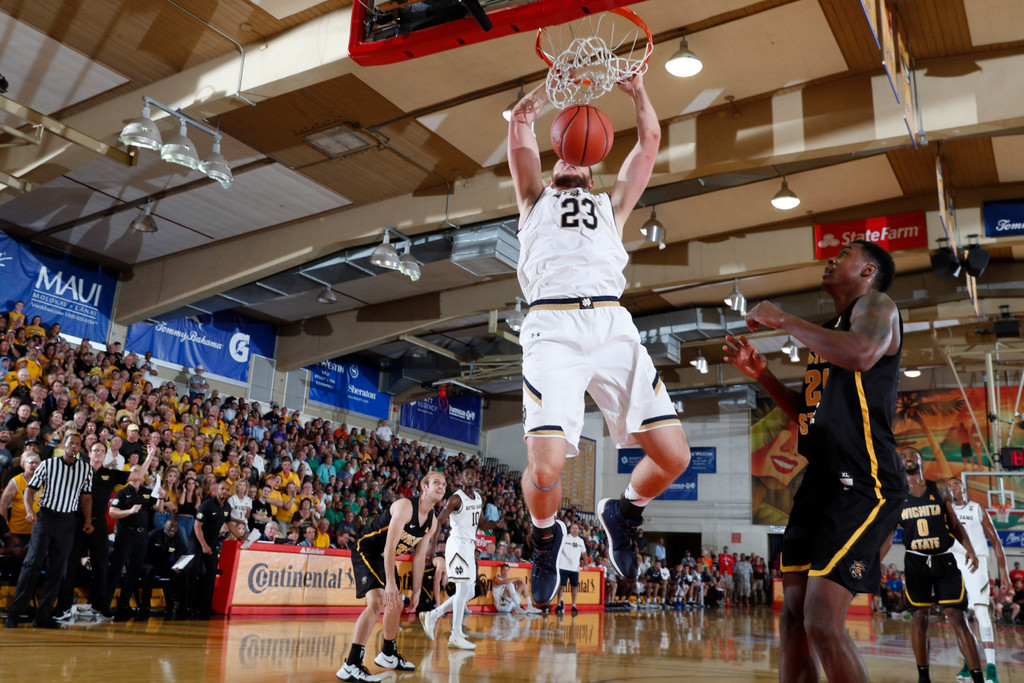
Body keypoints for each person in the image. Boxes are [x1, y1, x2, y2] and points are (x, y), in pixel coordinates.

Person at [507, 72, 691, 606]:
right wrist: (551, 90)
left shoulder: (613, 207)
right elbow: (520, 120)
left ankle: (625, 510)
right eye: (564, 153)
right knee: (545, 466)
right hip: (552, 329)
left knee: (674, 458)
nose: (572, 159)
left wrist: (638, 93)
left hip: (612, 325)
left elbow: (651, 142)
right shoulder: (532, 198)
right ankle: (545, 540)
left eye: (582, 157)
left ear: (593, 164)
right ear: (557, 153)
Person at [724, 239, 905, 683]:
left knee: (823, 622)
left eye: (844, 254)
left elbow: (863, 353)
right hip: (820, 483)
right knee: (793, 620)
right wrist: (763, 375)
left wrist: (783, 320)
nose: (831, 259)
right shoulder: (829, 333)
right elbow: (805, 413)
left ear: (867, 271)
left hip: (866, 483)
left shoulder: (878, 305)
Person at [883, 448, 984, 683]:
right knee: (920, 618)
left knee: (957, 618)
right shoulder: (895, 496)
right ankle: (923, 678)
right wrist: (875, 561)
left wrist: (969, 548)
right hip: (915, 560)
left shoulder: (939, 489)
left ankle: (977, 677)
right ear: (899, 464)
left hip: (943, 559)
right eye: (903, 456)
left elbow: (954, 522)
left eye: (912, 454)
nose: (907, 457)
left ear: (921, 461)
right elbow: (888, 535)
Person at [336, 471, 446, 683]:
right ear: (424, 487)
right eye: (436, 482)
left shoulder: (432, 522)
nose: (441, 486)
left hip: (385, 556)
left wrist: (415, 591)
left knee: (395, 604)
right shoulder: (405, 506)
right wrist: (391, 584)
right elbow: (390, 546)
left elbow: (419, 557)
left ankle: (388, 654)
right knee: (377, 602)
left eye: (443, 484)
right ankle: (351, 664)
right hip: (367, 550)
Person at [4, 431, 93, 629]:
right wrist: (29, 510)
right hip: (45, 518)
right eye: (70, 443)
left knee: (57, 569)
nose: (73, 446)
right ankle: (16, 613)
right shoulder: (48, 464)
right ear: (64, 445)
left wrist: (87, 519)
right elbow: (30, 490)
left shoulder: (86, 470)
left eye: (77, 444)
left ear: (80, 448)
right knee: (32, 564)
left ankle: (43, 615)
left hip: (68, 522)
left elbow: (86, 497)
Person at [419, 464, 500, 650]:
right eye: (467, 475)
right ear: (461, 479)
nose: (470, 477)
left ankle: (432, 615)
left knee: (469, 592)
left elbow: (481, 523)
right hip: (456, 544)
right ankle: (455, 635)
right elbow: (439, 521)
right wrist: (432, 549)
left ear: (477, 478)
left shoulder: (478, 498)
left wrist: (497, 523)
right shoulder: (456, 498)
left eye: (473, 474)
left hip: (470, 546)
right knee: (462, 589)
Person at [949, 476, 1009, 683]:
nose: (951, 488)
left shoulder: (976, 508)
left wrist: (1004, 573)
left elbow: (996, 541)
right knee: (959, 616)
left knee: (982, 612)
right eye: (948, 486)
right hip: (953, 565)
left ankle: (991, 668)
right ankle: (970, 662)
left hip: (976, 565)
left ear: (963, 489)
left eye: (955, 485)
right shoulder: (945, 512)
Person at [106, 447, 166, 620]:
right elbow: (112, 512)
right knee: (117, 570)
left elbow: (159, 508)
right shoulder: (122, 492)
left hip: (141, 537)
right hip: (125, 534)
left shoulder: (147, 493)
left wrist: (161, 497)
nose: (137, 476)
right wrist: (130, 511)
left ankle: (124, 604)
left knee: (134, 571)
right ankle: (105, 605)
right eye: (134, 472)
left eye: (139, 473)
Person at [189, 478, 235, 618]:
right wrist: (203, 545)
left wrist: (241, 536)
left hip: (212, 542)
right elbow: (197, 526)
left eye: (227, 490)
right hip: (197, 541)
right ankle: (188, 607)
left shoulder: (227, 507)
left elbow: (229, 523)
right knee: (194, 571)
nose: (224, 492)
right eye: (222, 489)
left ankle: (205, 608)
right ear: (217, 490)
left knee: (210, 575)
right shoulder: (207, 504)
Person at [556, 521, 586, 615]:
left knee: (574, 588)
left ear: (578, 530)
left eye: (576, 528)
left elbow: (584, 553)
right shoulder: (565, 538)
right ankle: (559, 603)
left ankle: (574, 605)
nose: (575, 529)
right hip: (563, 566)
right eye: (573, 528)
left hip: (575, 568)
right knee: (561, 587)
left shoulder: (581, 541)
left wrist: (587, 563)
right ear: (570, 529)